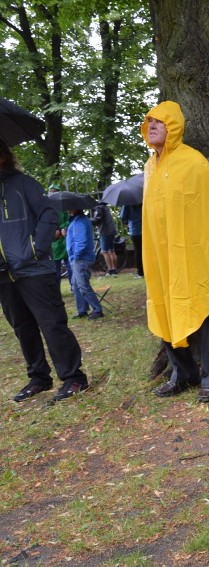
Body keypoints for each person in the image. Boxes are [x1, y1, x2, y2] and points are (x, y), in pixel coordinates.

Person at [141, 101, 209, 403]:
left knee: (203, 316)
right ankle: (183, 374)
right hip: (162, 258)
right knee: (166, 310)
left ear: (174, 127)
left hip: (193, 256)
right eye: (149, 121)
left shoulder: (193, 163)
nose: (151, 126)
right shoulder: (150, 166)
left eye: (159, 122)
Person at [0, 140, 89, 402]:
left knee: (52, 324)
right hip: (4, 275)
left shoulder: (24, 184)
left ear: (3, 156)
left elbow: (49, 215)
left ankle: (74, 378)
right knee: (22, 327)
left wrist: (36, 249)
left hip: (35, 269)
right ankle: (38, 377)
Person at [66, 208, 104, 320]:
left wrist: (76, 256)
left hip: (81, 259)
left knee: (82, 285)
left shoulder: (79, 221)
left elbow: (81, 241)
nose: (68, 209)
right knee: (76, 285)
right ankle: (82, 310)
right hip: (78, 258)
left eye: (70, 207)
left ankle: (97, 310)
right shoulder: (79, 220)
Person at [47, 185, 70, 284]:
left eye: (55, 192)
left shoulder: (64, 207)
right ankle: (56, 289)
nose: (52, 194)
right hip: (54, 240)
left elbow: (68, 220)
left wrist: (61, 229)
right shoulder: (47, 207)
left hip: (64, 238)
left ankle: (74, 287)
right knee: (55, 268)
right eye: (51, 192)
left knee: (69, 265)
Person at [92, 201, 118, 275]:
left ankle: (110, 270)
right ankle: (114, 269)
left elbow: (98, 219)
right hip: (111, 230)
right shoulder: (106, 208)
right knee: (112, 251)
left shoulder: (99, 208)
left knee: (104, 251)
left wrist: (90, 220)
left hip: (105, 231)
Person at [120, 203, 143, 278]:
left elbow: (123, 216)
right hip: (146, 228)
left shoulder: (127, 202)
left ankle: (140, 272)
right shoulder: (144, 198)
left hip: (135, 230)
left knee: (138, 251)